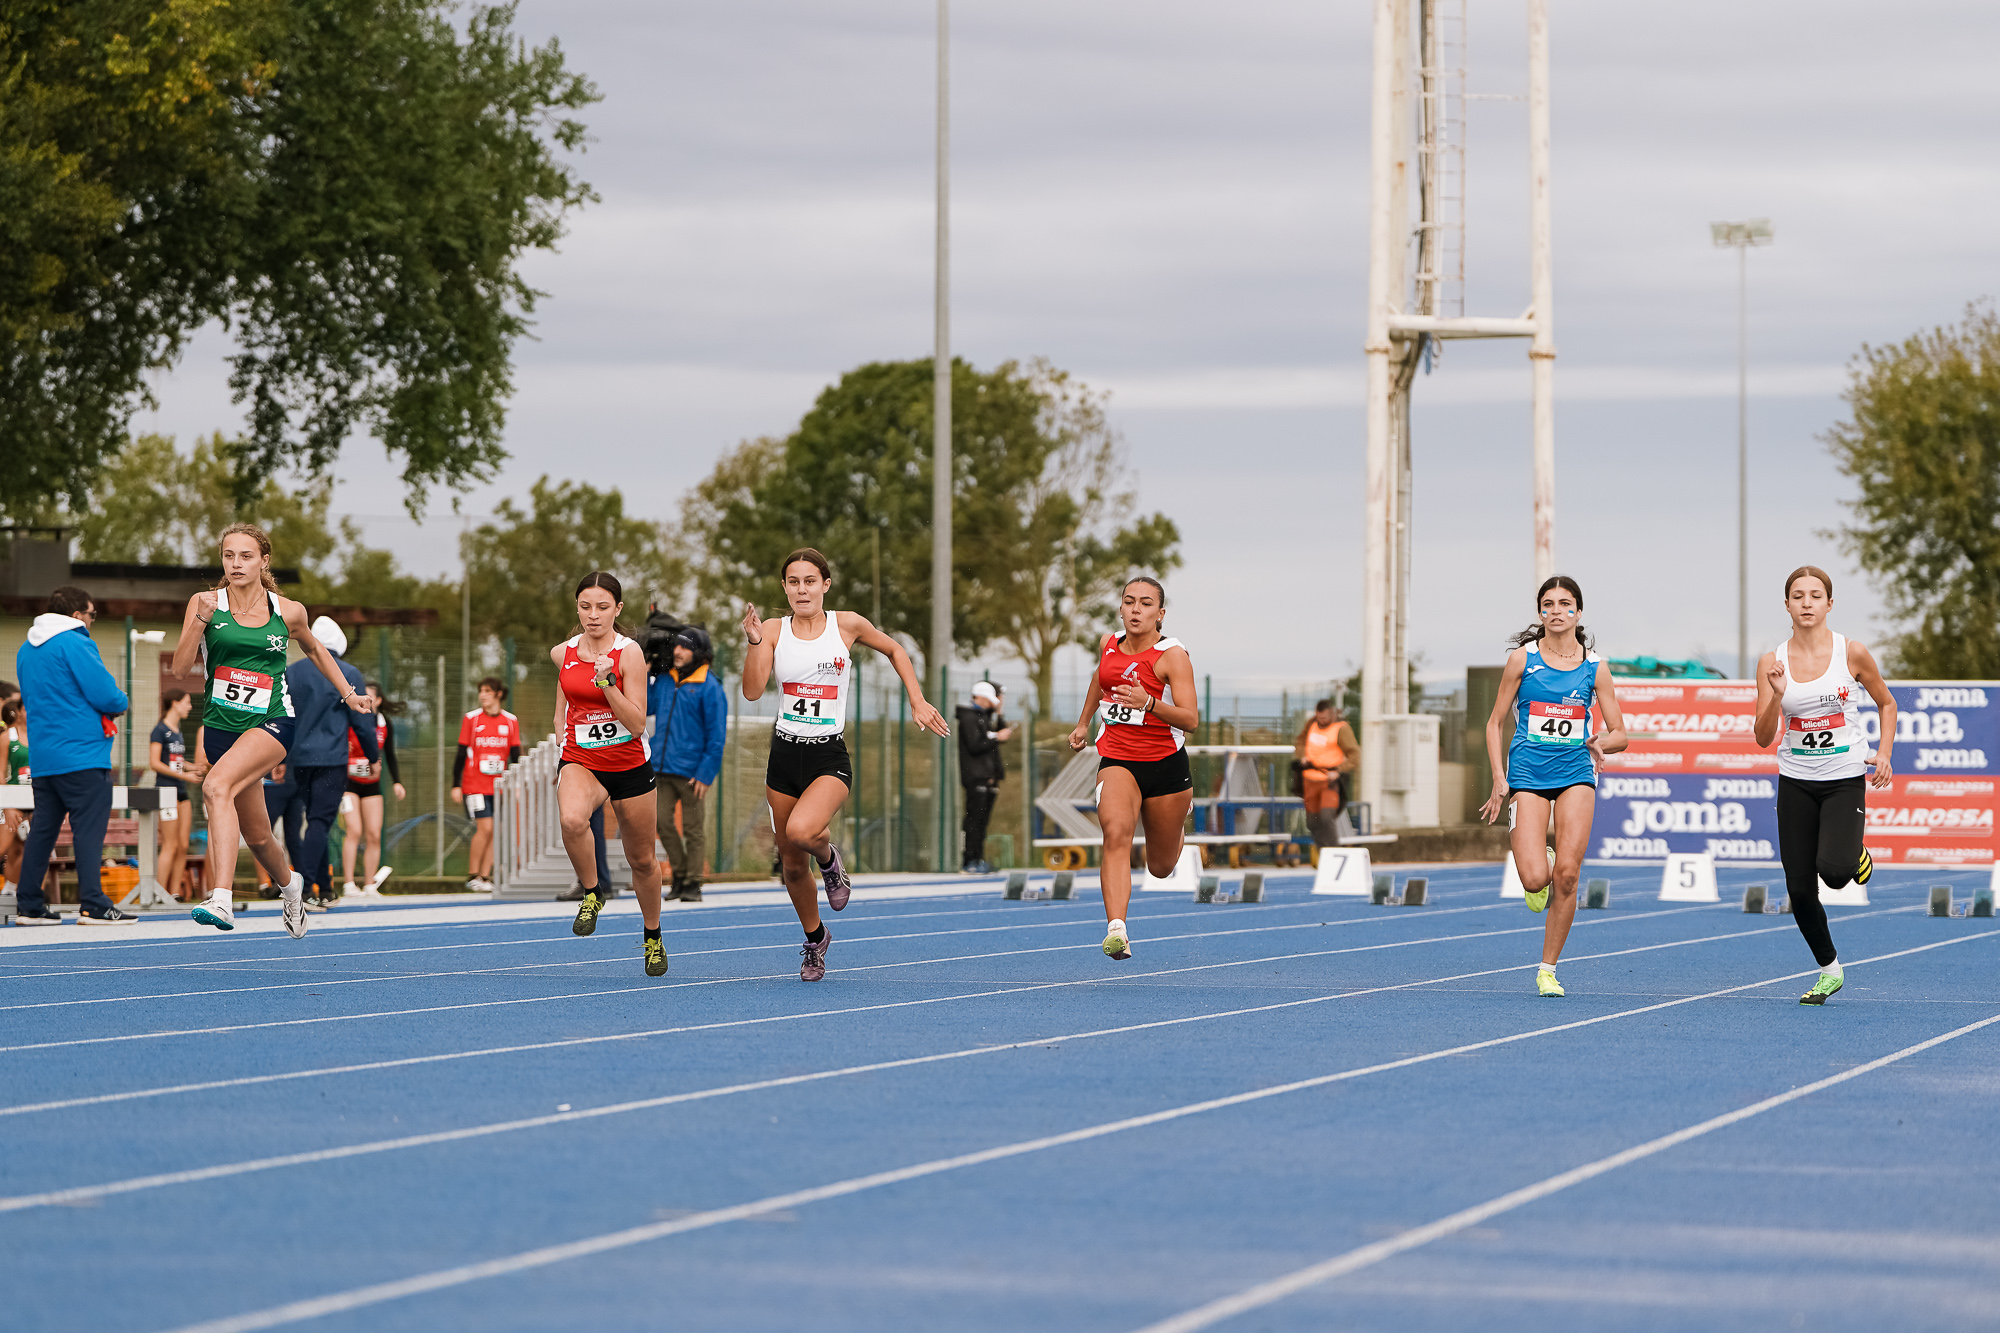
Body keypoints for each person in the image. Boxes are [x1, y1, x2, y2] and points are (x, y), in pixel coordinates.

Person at [741, 548, 948, 981]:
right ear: (785, 588)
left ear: (825, 585)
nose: (802, 590)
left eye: (810, 581)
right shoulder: (774, 629)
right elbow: (753, 691)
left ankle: (829, 858)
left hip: (827, 755)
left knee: (802, 832)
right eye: (794, 582)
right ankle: (815, 940)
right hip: (784, 755)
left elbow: (895, 650)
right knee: (791, 864)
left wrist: (917, 699)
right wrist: (755, 642)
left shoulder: (846, 624)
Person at [175, 522, 373, 937]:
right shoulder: (205, 603)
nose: (236, 564)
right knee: (259, 836)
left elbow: (315, 649)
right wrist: (199, 621)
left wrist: (349, 694)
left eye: (246, 556)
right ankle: (291, 886)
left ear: (264, 561)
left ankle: (221, 898)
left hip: (272, 722)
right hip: (221, 728)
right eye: (229, 555)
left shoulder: (288, 611)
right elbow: (179, 670)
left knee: (215, 787)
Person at [1752, 565, 1896, 1006]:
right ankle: (1829, 969)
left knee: (1835, 873)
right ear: (1787, 605)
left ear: (1829, 604)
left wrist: (1884, 753)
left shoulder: (1851, 652)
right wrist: (1777, 694)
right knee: (1799, 890)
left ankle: (1854, 853)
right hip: (1795, 781)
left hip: (1843, 779)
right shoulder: (1771, 662)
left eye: (1816, 596)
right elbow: (1762, 737)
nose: (1807, 603)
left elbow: (1887, 703)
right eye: (1798, 596)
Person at [1479, 575, 1628, 998]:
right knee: (1534, 880)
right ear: (1540, 612)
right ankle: (1542, 860)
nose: (1556, 611)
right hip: (1528, 773)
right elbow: (1494, 722)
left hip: (1576, 772)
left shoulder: (1595, 667)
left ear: (1578, 612)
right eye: (1548, 604)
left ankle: (1548, 970)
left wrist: (1600, 743)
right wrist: (1499, 778)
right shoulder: (1522, 660)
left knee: (1567, 875)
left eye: (1565, 604)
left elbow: (1620, 734)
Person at [1069, 577, 1200, 962]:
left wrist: (1149, 703)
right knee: (1115, 833)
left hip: (1165, 766)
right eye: (1129, 602)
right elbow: (1101, 680)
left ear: (1160, 614)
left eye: (1145, 603)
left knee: (1160, 867)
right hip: (1118, 760)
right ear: (1121, 608)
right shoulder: (1108, 644)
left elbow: (1191, 720)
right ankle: (1117, 930)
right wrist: (1083, 723)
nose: (1135, 609)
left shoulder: (1172, 656)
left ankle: (1178, 822)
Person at [555, 572, 669, 977]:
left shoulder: (629, 654)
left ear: (617, 610)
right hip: (582, 760)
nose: (593, 615)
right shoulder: (562, 653)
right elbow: (563, 702)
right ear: (577, 608)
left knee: (642, 860)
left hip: (629, 765)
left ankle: (652, 935)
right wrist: (561, 735)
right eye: (585, 606)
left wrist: (607, 684)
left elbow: (636, 725)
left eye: (602, 607)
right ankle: (592, 892)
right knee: (572, 819)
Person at [11, 586, 134, 925]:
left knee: (42, 831)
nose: (92, 621)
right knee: (88, 831)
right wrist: (122, 701)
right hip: (83, 755)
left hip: (44, 757)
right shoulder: (75, 642)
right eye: (92, 615)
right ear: (78, 614)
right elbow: (105, 695)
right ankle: (93, 903)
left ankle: (29, 905)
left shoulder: (26, 649)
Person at [284, 617, 378, 910]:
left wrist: (280, 756)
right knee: (320, 821)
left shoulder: (291, 672)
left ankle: (325, 887)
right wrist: (373, 757)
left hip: (298, 758)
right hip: (331, 758)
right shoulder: (347, 672)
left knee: (315, 820)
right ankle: (304, 889)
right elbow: (362, 722)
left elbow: (281, 714)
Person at [645, 626, 725, 902]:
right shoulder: (665, 680)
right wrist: (644, 673)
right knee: (661, 823)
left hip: (693, 772)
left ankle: (693, 883)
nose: (677, 651)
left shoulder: (710, 686)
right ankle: (679, 876)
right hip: (661, 767)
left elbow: (717, 736)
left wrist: (706, 773)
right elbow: (646, 706)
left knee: (693, 829)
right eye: (676, 646)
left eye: (685, 647)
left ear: (699, 653)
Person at [451, 676, 521, 892]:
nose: (482, 695)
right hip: (474, 785)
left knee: (495, 830)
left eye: (487, 691)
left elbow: (515, 756)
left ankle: (484, 876)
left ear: (498, 694)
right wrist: (456, 785)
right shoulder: (471, 719)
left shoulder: (510, 721)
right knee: (485, 827)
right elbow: (460, 754)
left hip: (499, 787)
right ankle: (472, 875)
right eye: (481, 691)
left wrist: (516, 785)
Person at [341, 683, 402, 897]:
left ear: (378, 701)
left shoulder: (385, 724)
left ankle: (369, 884)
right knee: (354, 830)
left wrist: (397, 782)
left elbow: (390, 754)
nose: (365, 699)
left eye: (370, 696)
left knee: (374, 834)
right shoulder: (350, 720)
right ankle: (349, 884)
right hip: (348, 784)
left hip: (372, 784)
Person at [956, 680, 1015, 874]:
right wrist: (997, 737)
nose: (992, 704)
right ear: (980, 697)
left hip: (988, 776)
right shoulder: (969, 717)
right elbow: (975, 745)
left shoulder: (983, 717)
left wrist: (1000, 713)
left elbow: (996, 732)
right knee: (973, 820)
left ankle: (977, 858)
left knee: (982, 822)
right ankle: (969, 860)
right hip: (975, 777)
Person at [147, 689, 195, 900]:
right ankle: (159, 893)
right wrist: (185, 775)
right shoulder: (159, 730)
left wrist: (193, 768)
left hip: (182, 792)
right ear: (175, 703)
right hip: (167, 792)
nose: (190, 707)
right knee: (170, 844)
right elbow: (155, 763)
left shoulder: (178, 732)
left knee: (183, 845)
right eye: (187, 702)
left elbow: (177, 761)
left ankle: (174, 893)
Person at [1293, 698, 1359, 850]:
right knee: (1312, 822)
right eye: (1318, 717)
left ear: (1332, 714)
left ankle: (1334, 851)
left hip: (1330, 782)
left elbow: (1355, 755)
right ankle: (1323, 850)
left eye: (1324, 718)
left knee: (1326, 817)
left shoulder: (1341, 729)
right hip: (1310, 780)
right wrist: (1302, 755)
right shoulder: (1311, 723)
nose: (1321, 721)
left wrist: (1339, 770)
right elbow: (1300, 741)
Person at [2, 686, 27, 898]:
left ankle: (15, 894)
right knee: (5, 847)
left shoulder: (46, 737)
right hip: (12, 800)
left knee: (31, 850)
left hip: (37, 801)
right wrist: (8, 806)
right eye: (27, 708)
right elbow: (0, 773)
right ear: (18, 712)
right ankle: (9, 891)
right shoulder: (7, 738)